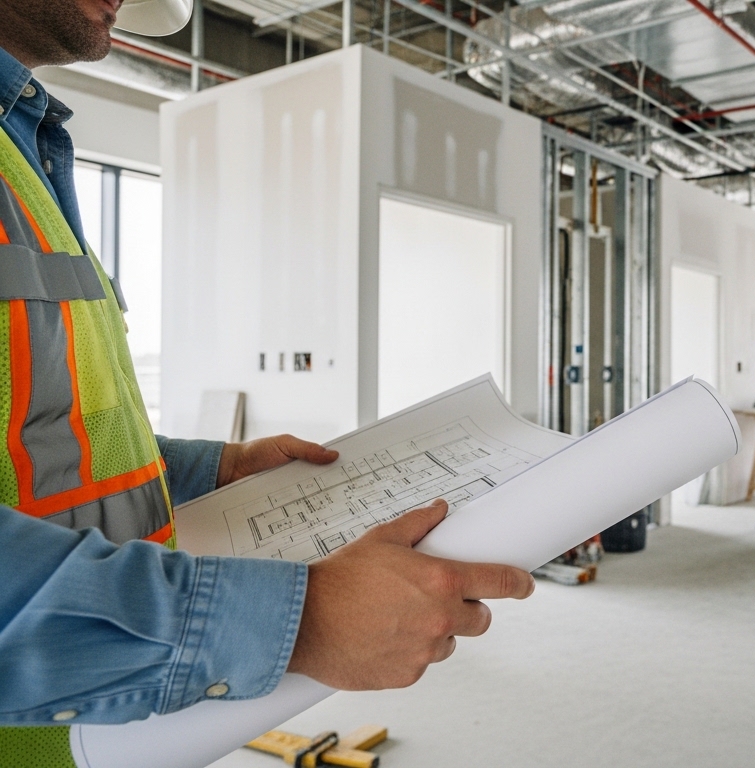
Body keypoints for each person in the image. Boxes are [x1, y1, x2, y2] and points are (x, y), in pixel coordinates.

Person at [0, 0, 535, 757]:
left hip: (96, 726)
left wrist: (210, 469)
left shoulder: (25, 149)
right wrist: (299, 618)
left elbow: (41, 431)